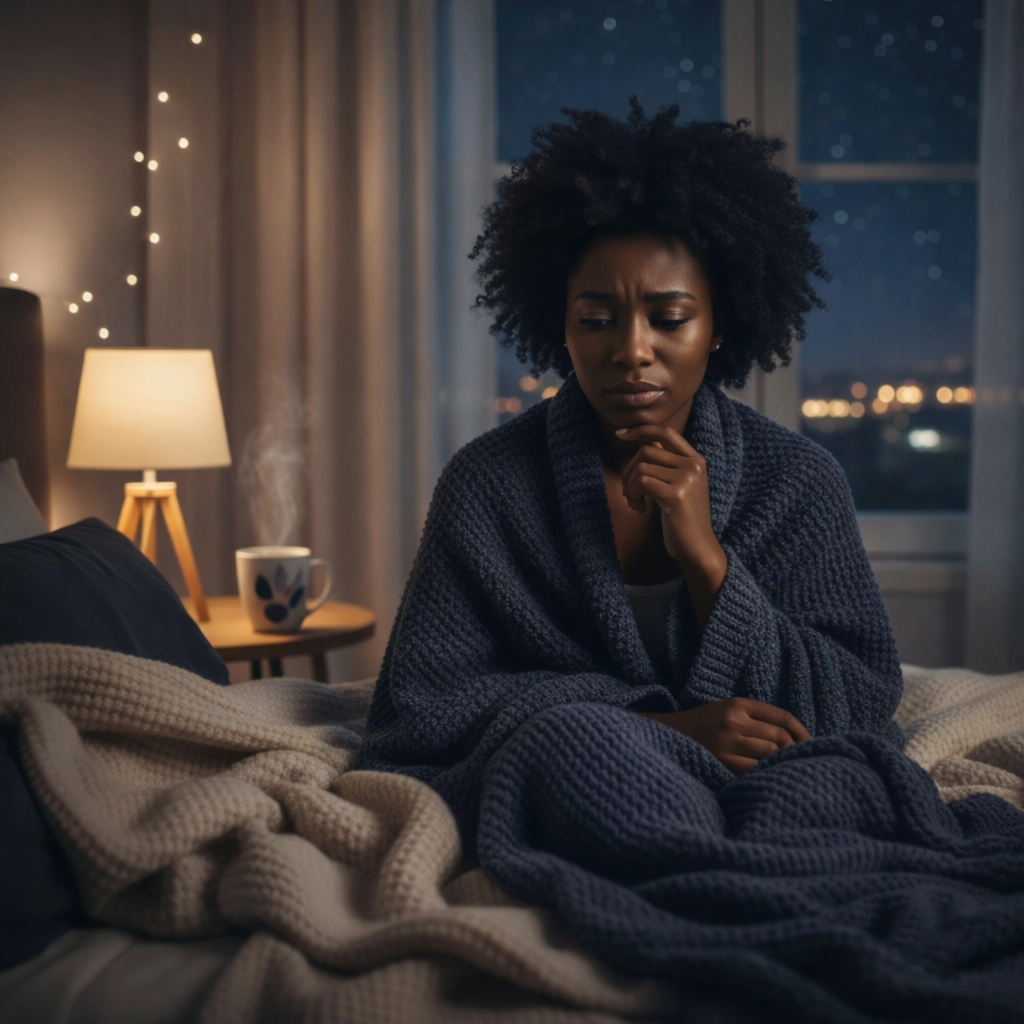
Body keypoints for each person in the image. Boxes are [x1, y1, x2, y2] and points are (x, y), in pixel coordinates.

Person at [358, 102, 902, 843]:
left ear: (720, 327)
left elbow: (859, 701)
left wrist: (708, 560)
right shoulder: (487, 486)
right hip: (589, 770)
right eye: (597, 318)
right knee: (578, 749)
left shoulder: (799, 480)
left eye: (670, 318)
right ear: (560, 325)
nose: (632, 350)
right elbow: (416, 712)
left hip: (765, 776)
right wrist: (664, 728)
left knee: (834, 784)